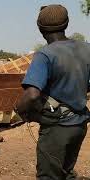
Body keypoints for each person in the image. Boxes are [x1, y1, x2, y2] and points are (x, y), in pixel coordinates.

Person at [15, 4, 90, 180]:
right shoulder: (86, 49)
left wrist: (20, 108)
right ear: (67, 23)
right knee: (66, 172)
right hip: (79, 125)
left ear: (40, 28)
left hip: (57, 128)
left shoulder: (45, 55)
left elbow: (32, 94)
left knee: (49, 176)